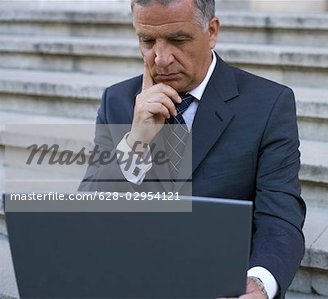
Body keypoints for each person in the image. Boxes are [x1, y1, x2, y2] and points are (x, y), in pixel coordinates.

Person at [79, 0, 306, 298]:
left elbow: (280, 216)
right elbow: (86, 213)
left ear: (211, 31)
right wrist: (135, 141)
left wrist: (259, 284)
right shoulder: (117, 101)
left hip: (220, 286)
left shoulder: (268, 104)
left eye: (177, 39)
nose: (160, 58)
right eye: (147, 41)